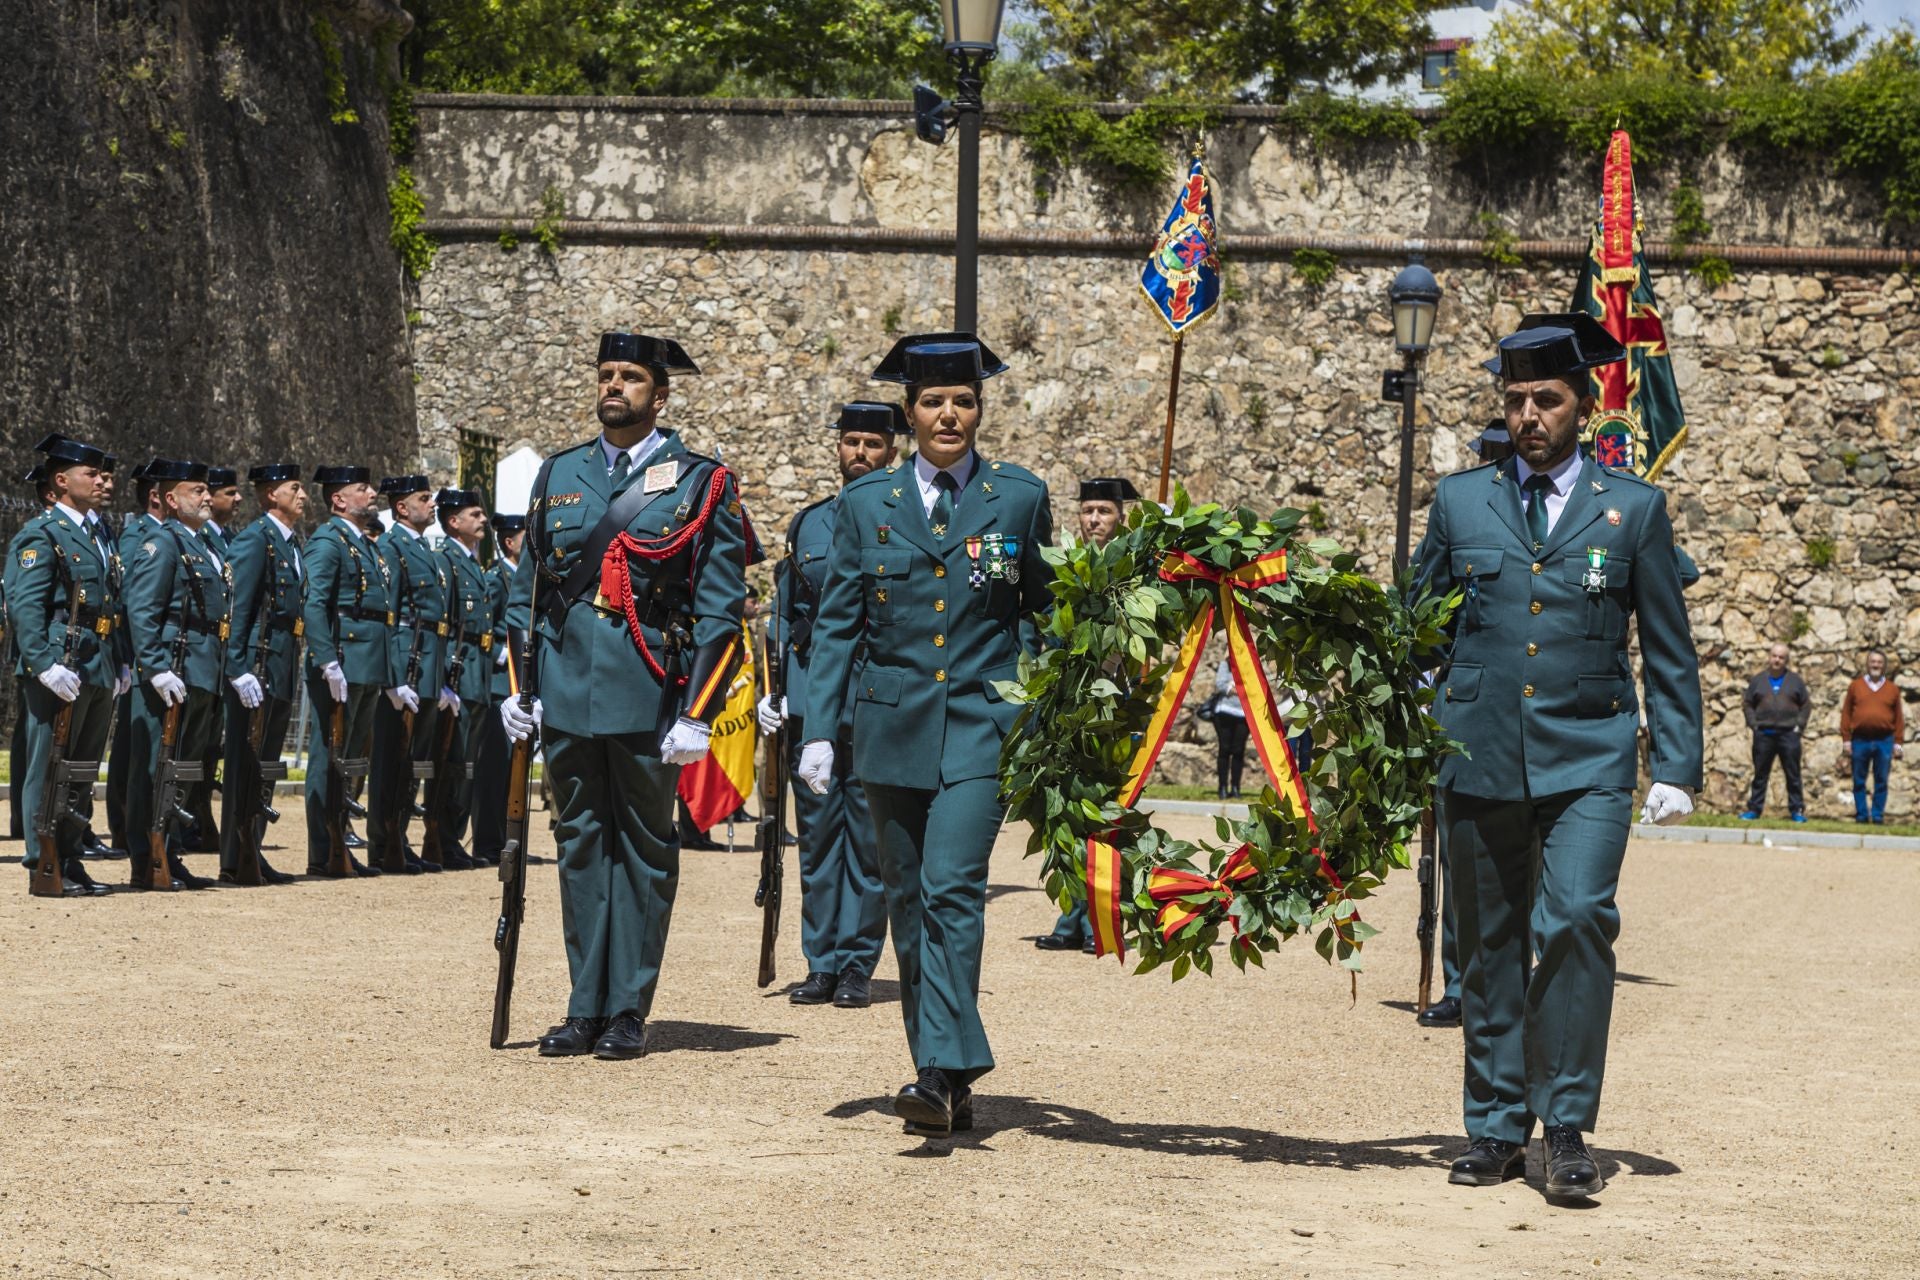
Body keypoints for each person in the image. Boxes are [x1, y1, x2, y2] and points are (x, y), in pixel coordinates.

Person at [1413, 312, 1703, 1199]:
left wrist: (1678, 765)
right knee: (1489, 944)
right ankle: (1497, 1128)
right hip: (1478, 752)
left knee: (1577, 920)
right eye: (1515, 400)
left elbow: (1668, 647)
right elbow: (1416, 625)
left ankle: (1566, 1125)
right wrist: (1398, 702)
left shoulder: (1634, 509)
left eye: (1546, 399)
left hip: (1590, 754)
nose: (1529, 415)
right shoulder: (1461, 501)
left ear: (1584, 403)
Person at [800, 332, 1053, 1138]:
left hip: (982, 725)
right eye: (934, 402)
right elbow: (836, 625)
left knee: (951, 887)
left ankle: (941, 1070)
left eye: (964, 402)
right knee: (908, 905)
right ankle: (942, 1081)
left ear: (979, 411)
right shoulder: (865, 503)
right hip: (889, 728)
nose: (950, 415)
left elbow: (1046, 609)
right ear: (909, 414)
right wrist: (818, 730)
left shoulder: (1019, 497)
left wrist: (1057, 699)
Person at [502, 330, 748, 1062]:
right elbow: (528, 595)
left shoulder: (702, 482)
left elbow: (719, 611)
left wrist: (698, 713)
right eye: (606, 374)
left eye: (631, 377)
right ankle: (584, 1005)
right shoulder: (559, 472)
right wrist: (520, 689)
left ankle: (627, 1008)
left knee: (643, 848)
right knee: (579, 842)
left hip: (648, 689)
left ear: (659, 396)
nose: (614, 385)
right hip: (567, 688)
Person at [759, 401, 904, 1006]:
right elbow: (786, 613)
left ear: (892, 451)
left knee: (870, 843)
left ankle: (856, 965)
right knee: (817, 838)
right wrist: (775, 688)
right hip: (813, 702)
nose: (860, 452)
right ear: (838, 448)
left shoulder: (909, 515)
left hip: (876, 700)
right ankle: (820, 962)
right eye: (851, 441)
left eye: (872, 443)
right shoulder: (810, 524)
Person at [5, 435, 123, 895]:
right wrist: (43, 664)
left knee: (82, 768)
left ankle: (70, 856)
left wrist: (122, 661)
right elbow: (26, 606)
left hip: (97, 661)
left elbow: (111, 602)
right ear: (61, 480)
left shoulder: (99, 533)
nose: (100, 481)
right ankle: (43, 860)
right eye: (90, 474)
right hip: (61, 662)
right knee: (48, 766)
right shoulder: (43, 532)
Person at [1034, 476, 1140, 955]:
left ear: (1121, 517)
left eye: (1104, 511)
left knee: (1109, 812)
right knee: (1070, 811)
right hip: (1068, 705)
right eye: (1088, 511)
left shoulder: (1134, 570)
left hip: (1116, 705)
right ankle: (1072, 915)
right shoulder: (1066, 568)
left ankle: (1102, 916)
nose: (1094, 519)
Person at [124, 459, 232, 891]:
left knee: (184, 767)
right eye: (196, 490)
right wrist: (155, 667)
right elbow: (143, 609)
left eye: (207, 490)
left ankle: (170, 851)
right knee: (155, 767)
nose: (206, 496)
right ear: (170, 499)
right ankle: (145, 857)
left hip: (203, 668)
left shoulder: (203, 544)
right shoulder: (163, 542)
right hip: (174, 668)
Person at [301, 464, 393, 878]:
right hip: (344, 661)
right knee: (329, 758)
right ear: (338, 500)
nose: (372, 494)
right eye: (362, 488)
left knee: (352, 758)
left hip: (368, 662)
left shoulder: (361, 543)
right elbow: (315, 603)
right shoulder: (328, 542)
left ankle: (340, 840)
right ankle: (324, 850)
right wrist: (326, 659)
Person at [218, 463, 307, 885]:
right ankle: (235, 855)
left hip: (281, 663)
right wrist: (237, 667)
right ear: (272, 494)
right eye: (294, 487)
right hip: (257, 663)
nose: (303, 495)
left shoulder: (290, 543)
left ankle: (253, 846)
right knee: (245, 762)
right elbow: (238, 607)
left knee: (266, 764)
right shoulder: (256, 540)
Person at [369, 474, 446, 874]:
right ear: (401, 507)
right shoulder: (392, 546)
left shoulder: (422, 547)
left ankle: (399, 837)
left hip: (428, 663)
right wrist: (394, 676)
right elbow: (391, 615)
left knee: (413, 759)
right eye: (424, 498)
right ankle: (383, 842)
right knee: (391, 758)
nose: (432, 504)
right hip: (408, 661)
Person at [106, 460, 168, 860]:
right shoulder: (138, 535)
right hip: (137, 654)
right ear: (157, 496)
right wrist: (130, 655)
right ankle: (123, 823)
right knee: (131, 745)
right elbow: (129, 598)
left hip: (155, 653)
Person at [429, 487, 491, 868]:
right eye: (475, 514)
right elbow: (444, 624)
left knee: (468, 762)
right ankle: (443, 838)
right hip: (459, 671)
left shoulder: (471, 561)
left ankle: (453, 837)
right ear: (454, 522)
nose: (483, 519)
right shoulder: (447, 562)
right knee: (453, 760)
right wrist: (443, 678)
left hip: (477, 672)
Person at [470, 512, 525, 865]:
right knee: (493, 767)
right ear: (508, 542)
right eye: (524, 538)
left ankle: (508, 839)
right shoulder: (496, 578)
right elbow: (480, 628)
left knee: (513, 769)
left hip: (519, 684)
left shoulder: (524, 578)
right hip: (499, 682)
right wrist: (503, 653)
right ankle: (488, 841)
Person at [1739, 643, 1811, 822]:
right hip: (1764, 734)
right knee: (1760, 774)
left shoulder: (1795, 681)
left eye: (1781, 657)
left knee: (1793, 775)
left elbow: (1805, 705)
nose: (1777, 660)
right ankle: (1754, 809)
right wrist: (1753, 724)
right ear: (1769, 657)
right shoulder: (1758, 680)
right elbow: (1748, 703)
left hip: (1789, 735)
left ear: (1786, 660)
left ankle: (1797, 810)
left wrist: (1799, 726)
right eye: (1774, 656)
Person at [1841, 651, 1904, 824]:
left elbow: (1899, 718)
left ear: (1884, 666)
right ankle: (1861, 815)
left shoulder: (1892, 689)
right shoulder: (1855, 686)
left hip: (1885, 740)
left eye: (1879, 662)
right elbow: (1846, 713)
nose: (1875, 665)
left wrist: (1898, 743)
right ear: (1867, 664)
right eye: (1872, 662)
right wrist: (1846, 739)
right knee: (1859, 780)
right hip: (1860, 740)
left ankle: (1877, 815)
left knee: (1881, 780)